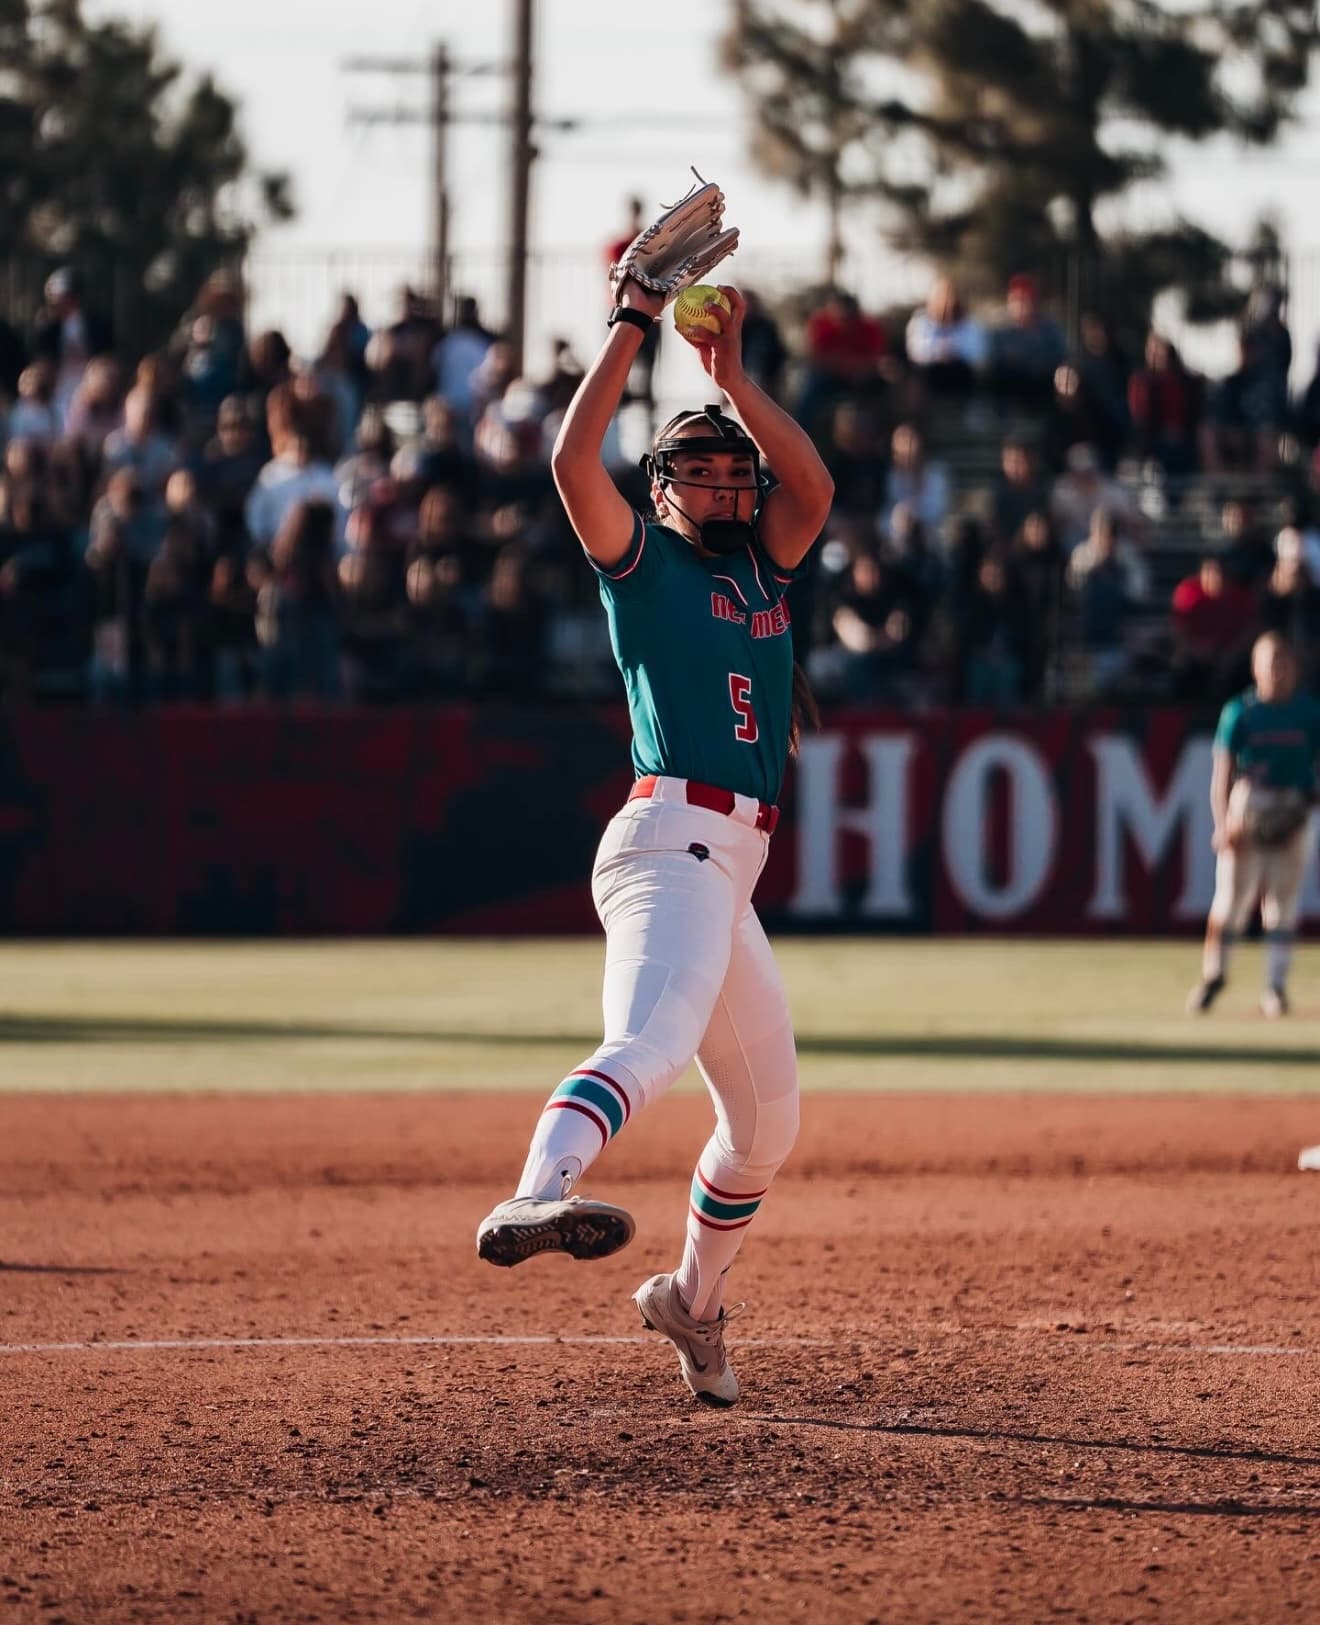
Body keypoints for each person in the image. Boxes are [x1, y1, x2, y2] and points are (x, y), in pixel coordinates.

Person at [475, 266, 834, 1410]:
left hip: (728, 870)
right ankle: (537, 1186)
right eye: (702, 470)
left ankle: (695, 1302)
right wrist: (631, 325)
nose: (727, 487)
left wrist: (734, 379)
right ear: (664, 484)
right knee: (650, 1041)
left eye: (738, 472)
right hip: (670, 834)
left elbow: (813, 483)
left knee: (767, 1119)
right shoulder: (645, 563)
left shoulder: (764, 566)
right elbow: (571, 463)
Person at [1187, 632, 1319, 1021]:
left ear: (1295, 668)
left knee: (1283, 903)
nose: (1278, 671)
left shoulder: (1309, 712)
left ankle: (1275, 988)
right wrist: (1222, 822)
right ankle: (1214, 976)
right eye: (1270, 662)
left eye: (1284, 662)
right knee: (1232, 899)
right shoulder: (1241, 712)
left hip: (1292, 805)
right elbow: (1222, 774)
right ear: (1256, 668)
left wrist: (1308, 802)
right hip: (1251, 804)